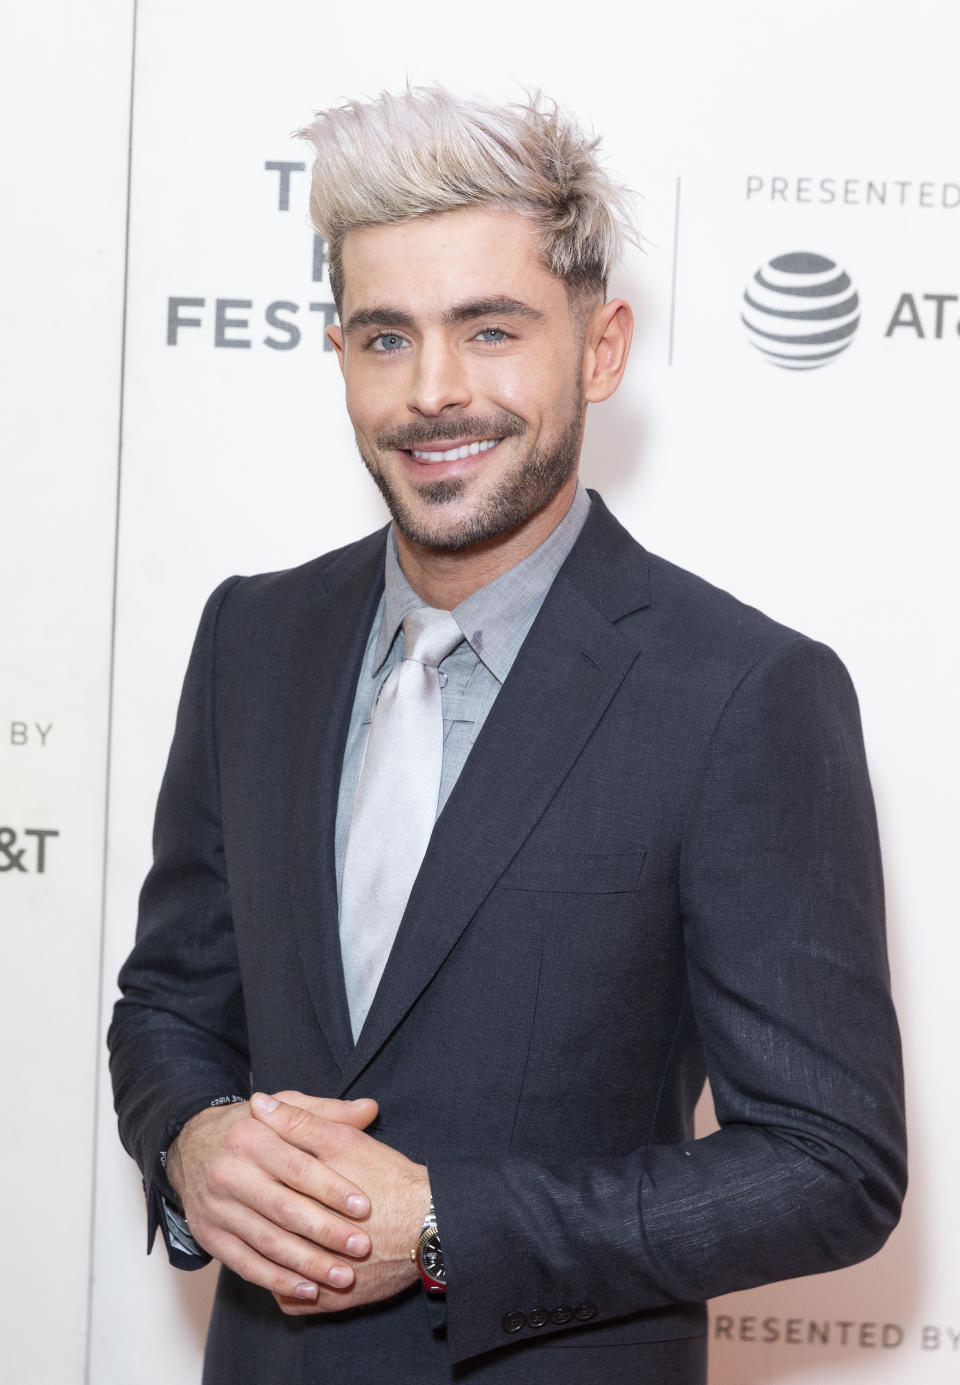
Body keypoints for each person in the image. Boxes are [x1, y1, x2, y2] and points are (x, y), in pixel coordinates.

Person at [109, 88, 906, 1385]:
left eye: (489, 329)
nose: (432, 393)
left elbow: (830, 1164)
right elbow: (169, 1004)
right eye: (385, 337)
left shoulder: (742, 692)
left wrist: (442, 1229)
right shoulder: (252, 640)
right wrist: (193, 1141)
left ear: (599, 350)